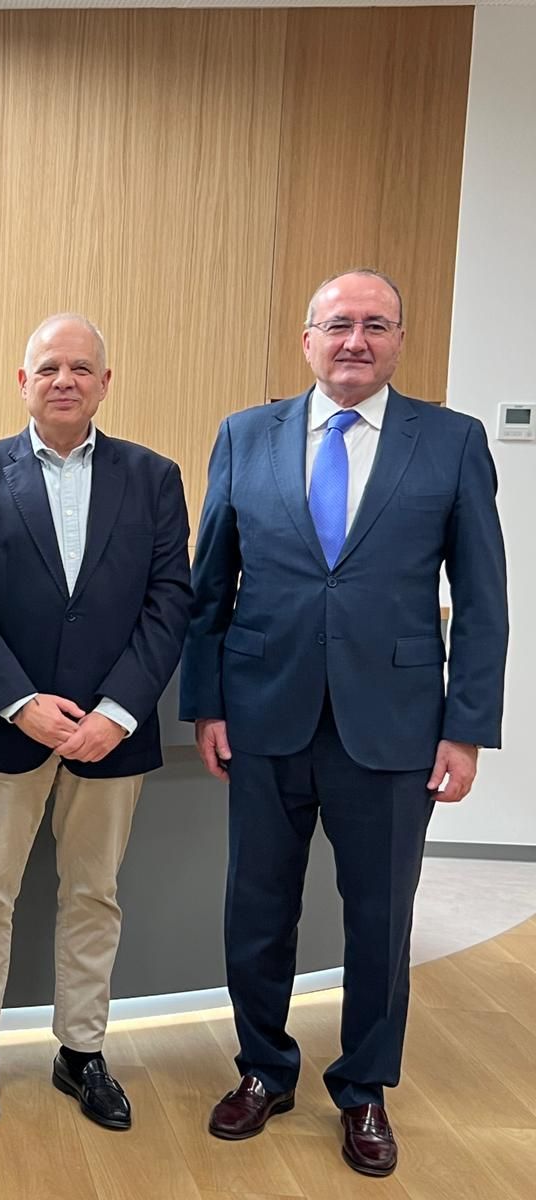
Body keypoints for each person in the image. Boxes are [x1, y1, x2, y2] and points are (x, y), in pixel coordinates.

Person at [180, 269, 508, 1177]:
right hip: (263, 715)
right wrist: (206, 703)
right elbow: (210, 589)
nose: (355, 340)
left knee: (379, 919)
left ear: (399, 339)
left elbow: (483, 596)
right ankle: (263, 1069)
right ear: (307, 340)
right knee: (257, 910)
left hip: (395, 726)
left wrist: (466, 727)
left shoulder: (450, 441)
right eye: (337, 325)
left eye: (374, 324)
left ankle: (363, 1088)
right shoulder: (245, 435)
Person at [0, 314, 191, 1132]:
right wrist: (22, 704)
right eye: (49, 367)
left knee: (93, 896)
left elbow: (169, 603)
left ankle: (81, 1052)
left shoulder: (153, 478)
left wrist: (116, 713)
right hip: (2, 728)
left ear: (105, 384)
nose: (65, 381)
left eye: (82, 368)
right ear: (23, 382)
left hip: (111, 736)